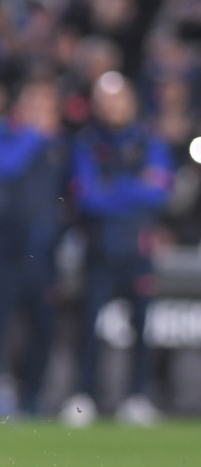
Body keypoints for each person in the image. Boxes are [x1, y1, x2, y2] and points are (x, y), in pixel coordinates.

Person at [59, 71, 173, 427]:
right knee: (88, 328)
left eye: (118, 99)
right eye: (105, 101)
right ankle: (83, 397)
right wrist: (132, 190)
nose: (112, 107)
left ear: (131, 102)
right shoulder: (86, 143)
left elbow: (160, 192)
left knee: (143, 328)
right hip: (100, 249)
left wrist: (114, 188)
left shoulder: (148, 141)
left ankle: (137, 397)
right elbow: (87, 198)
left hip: (138, 252)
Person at [0, 79, 67, 417]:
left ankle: (33, 398)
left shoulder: (58, 145)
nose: (43, 113)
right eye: (36, 105)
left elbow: (73, 192)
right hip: (2, 250)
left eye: (47, 106)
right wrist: (35, 136)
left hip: (42, 253)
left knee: (42, 328)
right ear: (22, 107)